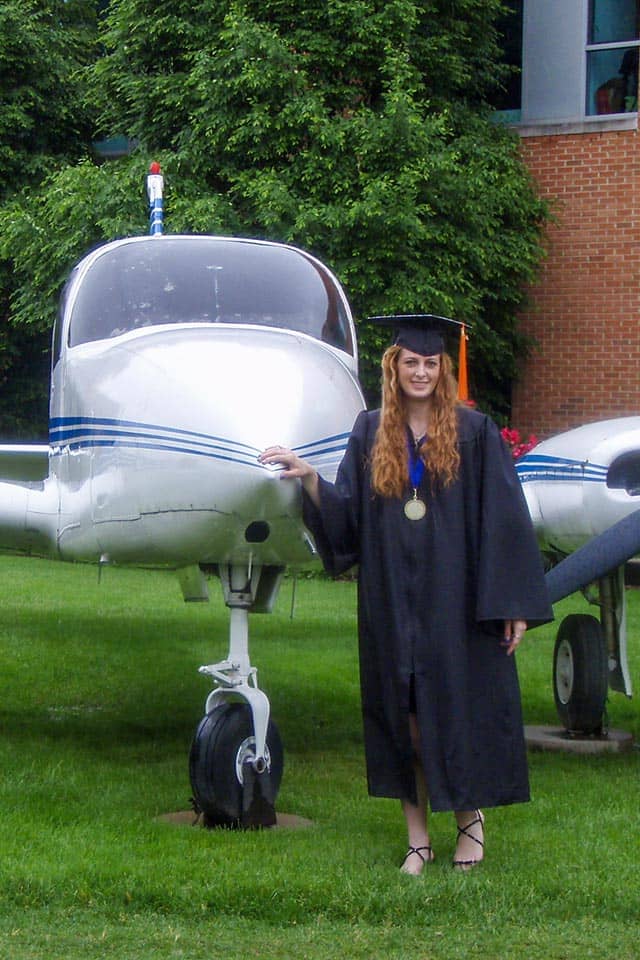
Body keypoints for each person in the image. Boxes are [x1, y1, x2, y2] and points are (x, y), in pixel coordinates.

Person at [260, 314, 552, 873]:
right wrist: (313, 481)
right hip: (392, 601)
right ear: (394, 368)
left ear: (443, 370)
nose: (421, 371)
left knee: (455, 711)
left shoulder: (474, 433)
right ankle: (417, 839)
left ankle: (471, 825)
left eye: (431, 363)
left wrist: (512, 601)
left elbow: (505, 521)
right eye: (411, 362)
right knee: (405, 719)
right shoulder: (371, 433)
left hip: (455, 601)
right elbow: (348, 520)